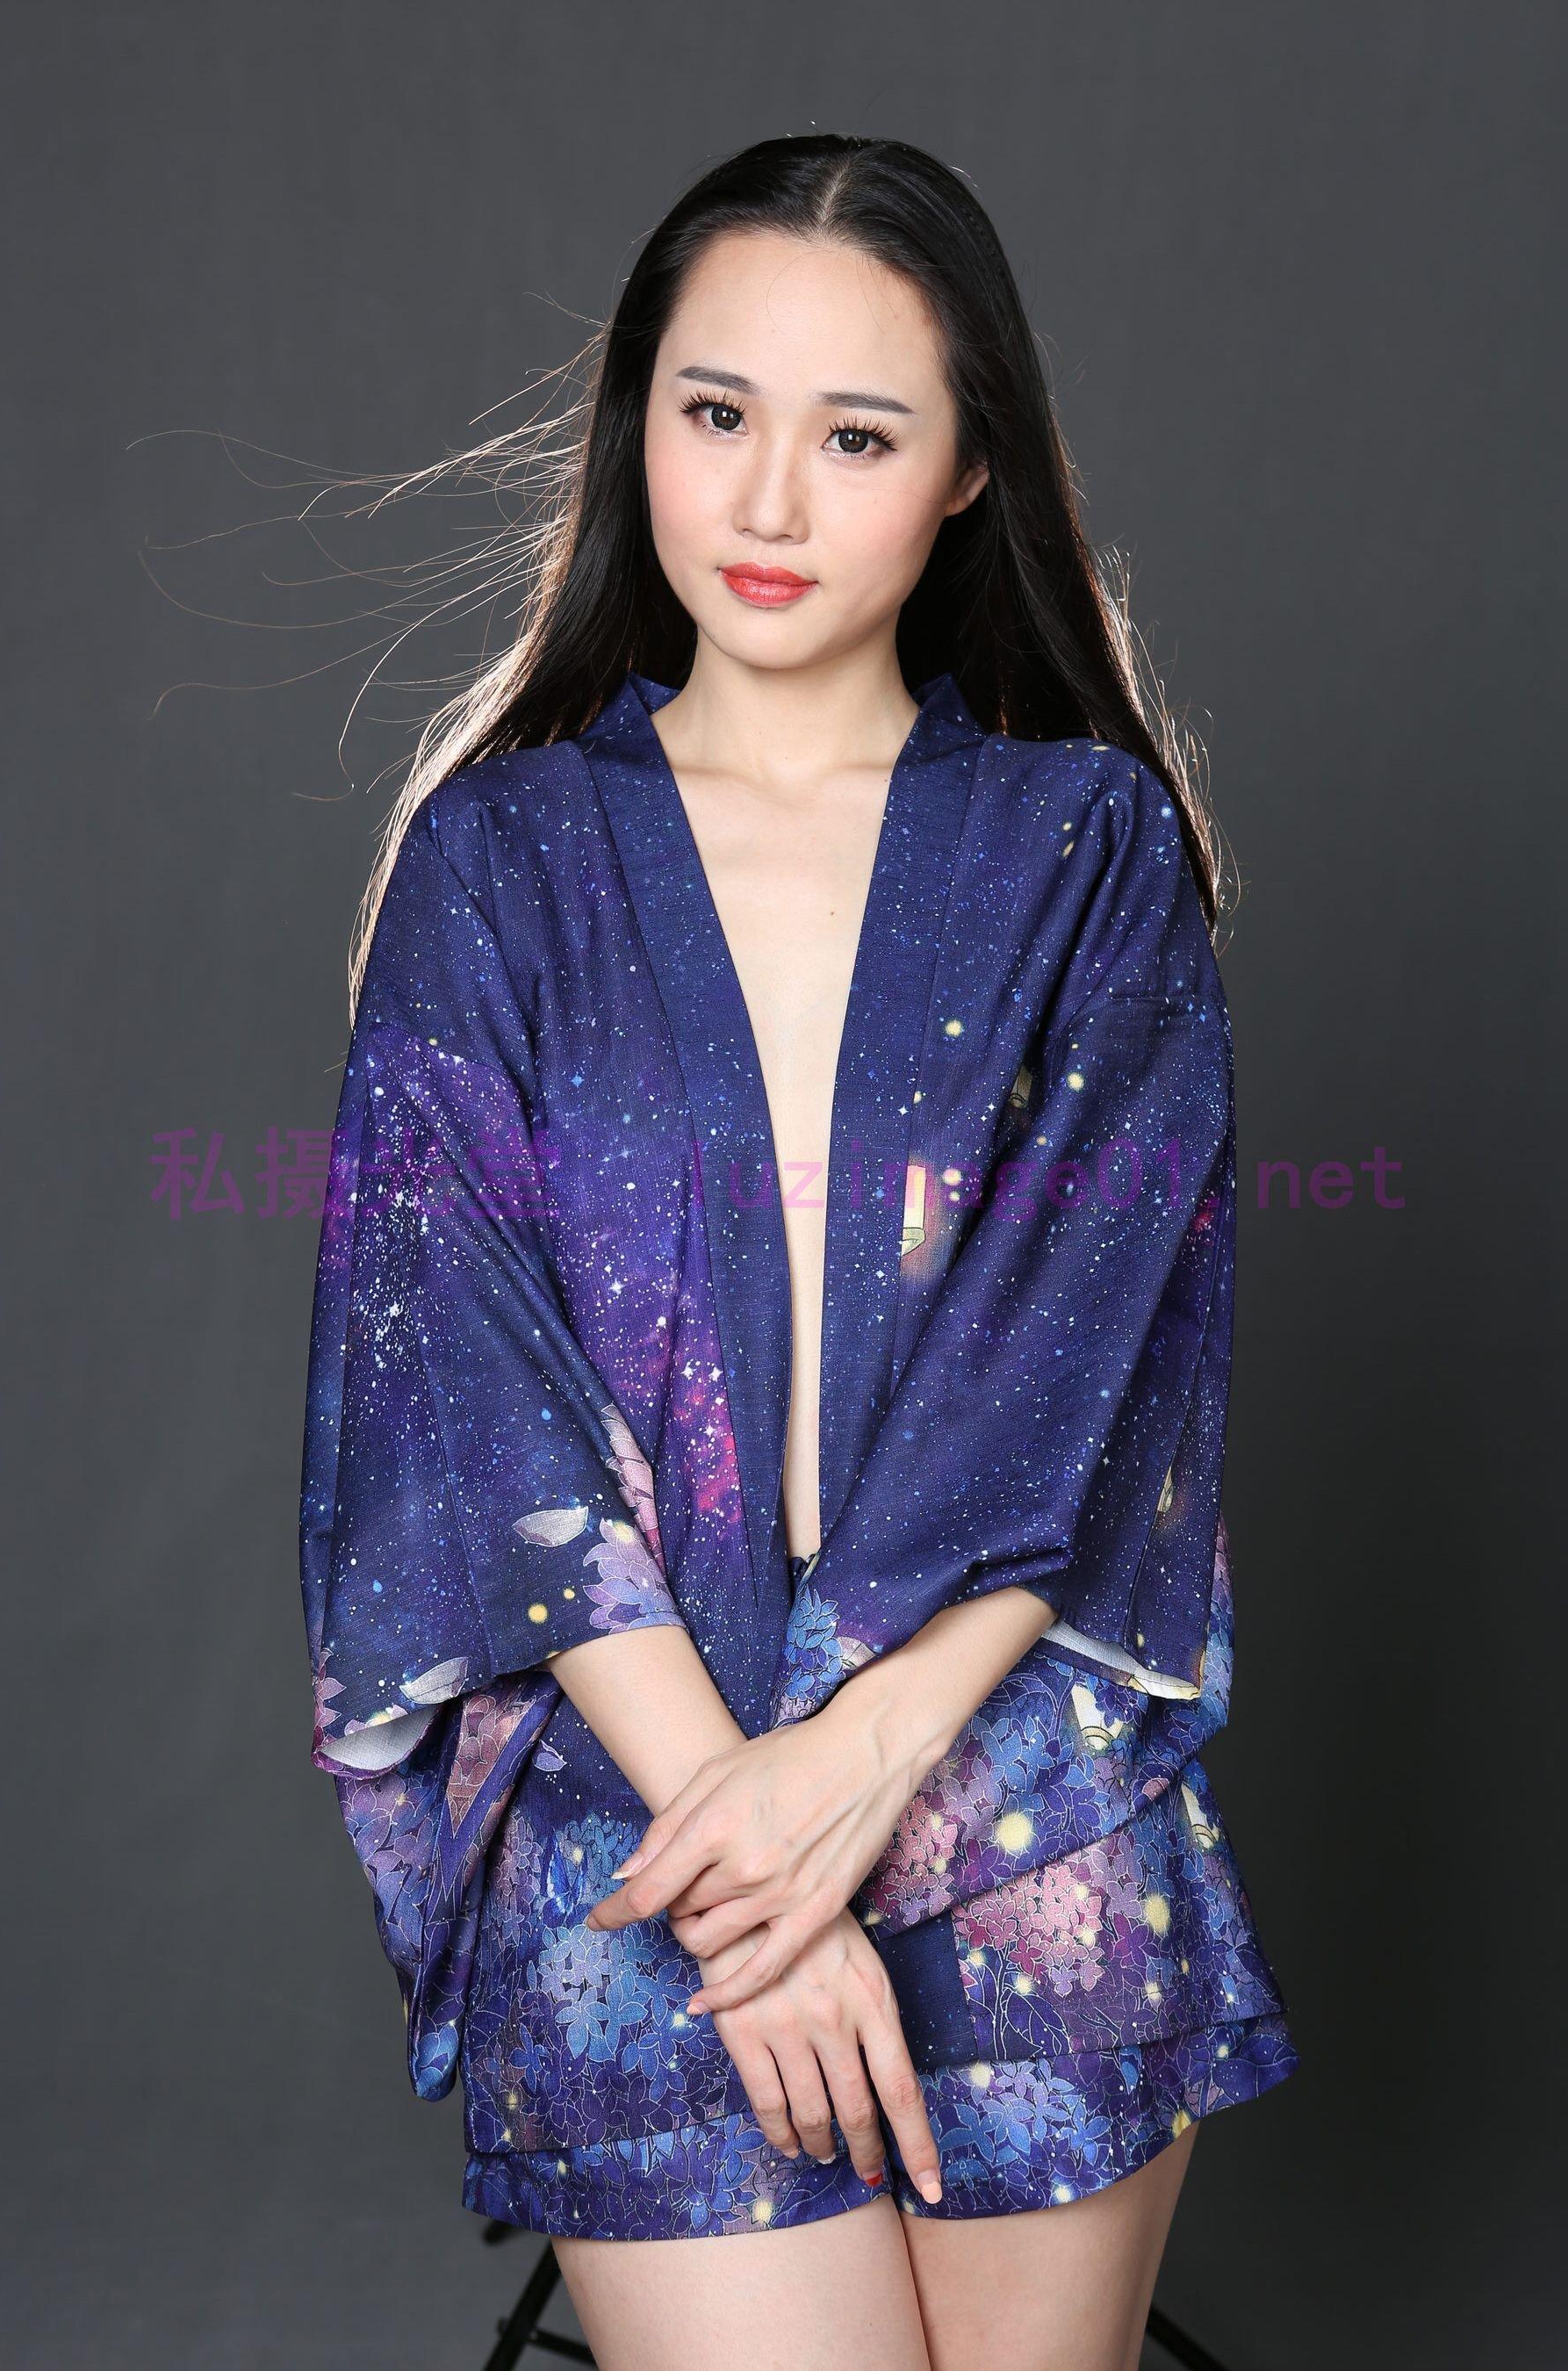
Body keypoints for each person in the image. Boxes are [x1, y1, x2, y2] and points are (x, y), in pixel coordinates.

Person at [299, 133, 1299, 2371]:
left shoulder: (1090, 853)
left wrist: (852, 1772)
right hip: (642, 1816)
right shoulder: (496, 862)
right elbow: (476, 1395)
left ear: (967, 473)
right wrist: (747, 1854)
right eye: (714, 411)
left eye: (856, 437)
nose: (767, 501)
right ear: (635, 421)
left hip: (1013, 1790)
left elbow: (1096, 1371)